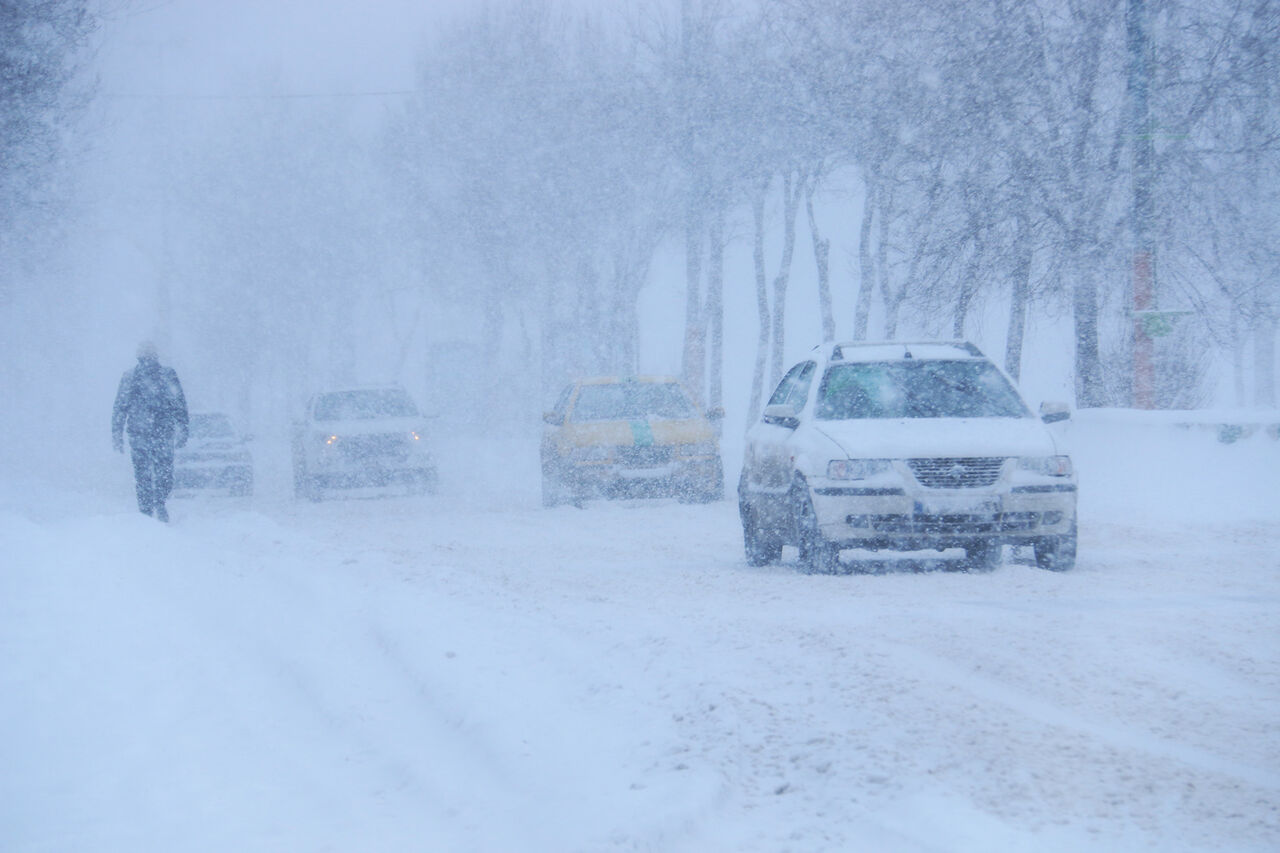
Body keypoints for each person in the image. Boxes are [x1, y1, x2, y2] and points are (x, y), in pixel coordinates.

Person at [111, 341, 189, 522]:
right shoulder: (130, 377)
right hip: (142, 434)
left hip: (158, 433)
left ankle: (158, 504)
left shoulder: (167, 375)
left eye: (150, 357)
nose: (147, 361)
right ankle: (147, 510)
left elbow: (179, 403)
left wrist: (183, 427)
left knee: (158, 473)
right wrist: (117, 433)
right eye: (145, 357)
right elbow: (120, 407)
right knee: (147, 473)